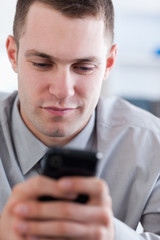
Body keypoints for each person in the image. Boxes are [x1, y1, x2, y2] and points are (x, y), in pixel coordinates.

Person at [0, 0, 160, 239]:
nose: (63, 90)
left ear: (108, 63)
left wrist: (113, 236)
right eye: (42, 64)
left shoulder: (152, 142)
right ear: (13, 55)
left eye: (84, 67)